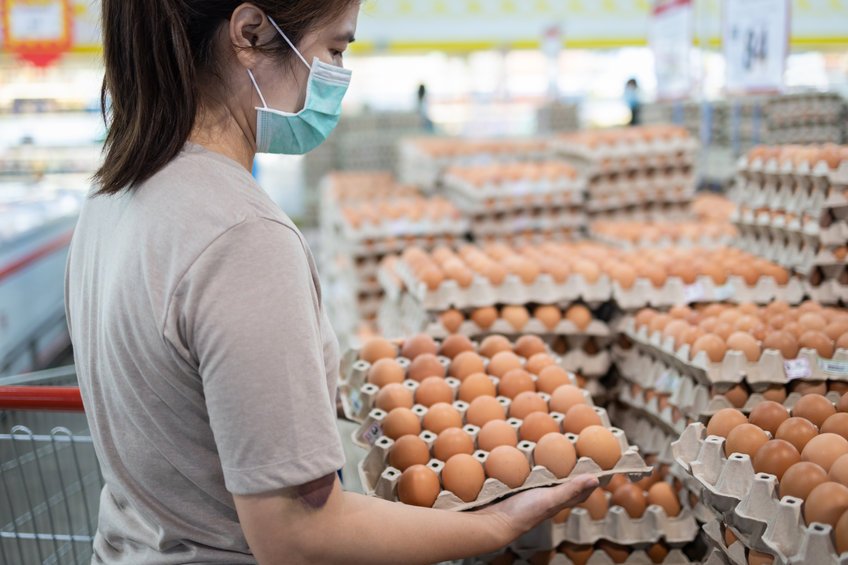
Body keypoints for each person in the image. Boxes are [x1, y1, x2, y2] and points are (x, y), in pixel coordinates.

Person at [65, 1, 599, 563]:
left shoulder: (113, 194)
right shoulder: (242, 234)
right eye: (335, 50)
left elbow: (173, 406)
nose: (337, 76)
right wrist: (495, 526)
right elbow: (297, 535)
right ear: (250, 34)